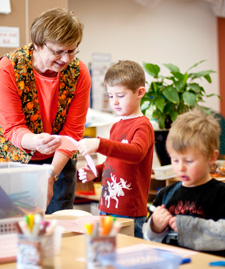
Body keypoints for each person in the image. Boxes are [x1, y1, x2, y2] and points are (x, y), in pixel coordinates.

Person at [0, 8, 91, 214]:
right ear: (37, 45)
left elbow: (73, 132)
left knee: (59, 221)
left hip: (60, 158)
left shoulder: (79, 72)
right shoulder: (9, 69)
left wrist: (50, 174)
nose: (66, 59)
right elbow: (13, 129)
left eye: (72, 50)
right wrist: (36, 141)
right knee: (17, 223)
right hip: (16, 159)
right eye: (58, 51)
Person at [77, 60, 155, 238]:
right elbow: (112, 163)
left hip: (129, 212)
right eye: (111, 96)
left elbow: (136, 153)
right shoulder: (116, 126)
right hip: (106, 207)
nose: (115, 102)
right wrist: (95, 172)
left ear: (139, 92)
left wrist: (100, 144)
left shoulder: (143, 126)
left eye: (120, 95)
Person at [142, 108, 225, 256]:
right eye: (175, 160)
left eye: (189, 161)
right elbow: (149, 238)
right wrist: (154, 227)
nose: (180, 168)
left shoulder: (221, 193)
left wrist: (186, 227)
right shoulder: (165, 195)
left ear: (212, 158)